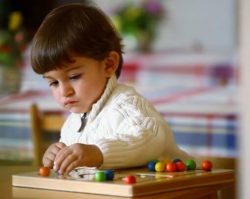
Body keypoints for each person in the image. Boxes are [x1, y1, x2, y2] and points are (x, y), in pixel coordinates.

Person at [31, 2, 190, 175]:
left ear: (109, 64)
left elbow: (152, 138)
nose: (64, 92)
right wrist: (57, 156)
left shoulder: (126, 105)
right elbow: (79, 163)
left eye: (74, 77)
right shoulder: (72, 123)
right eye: (54, 83)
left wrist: (99, 152)